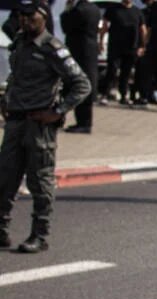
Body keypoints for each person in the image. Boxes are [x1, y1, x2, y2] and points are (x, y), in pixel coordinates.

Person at [0, 0, 89, 253]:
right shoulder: (19, 42)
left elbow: (82, 84)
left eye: (30, 16)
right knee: (5, 178)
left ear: (43, 17)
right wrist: (6, 99)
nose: (24, 20)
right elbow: (15, 76)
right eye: (21, 15)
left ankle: (39, 234)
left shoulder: (53, 48)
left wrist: (57, 111)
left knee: (40, 181)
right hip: (15, 122)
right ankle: (1, 229)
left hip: (39, 126)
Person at [58, 0, 100, 133]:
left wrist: (66, 11)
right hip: (90, 49)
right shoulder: (94, 8)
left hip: (79, 50)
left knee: (77, 84)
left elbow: (66, 27)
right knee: (87, 83)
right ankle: (85, 121)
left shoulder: (78, 10)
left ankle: (83, 123)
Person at [97, 0, 144, 105]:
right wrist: (100, 41)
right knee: (111, 70)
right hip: (115, 46)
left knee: (126, 73)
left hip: (131, 47)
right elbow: (104, 25)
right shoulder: (113, 9)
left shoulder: (137, 12)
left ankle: (123, 96)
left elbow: (142, 29)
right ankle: (105, 94)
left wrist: (142, 46)